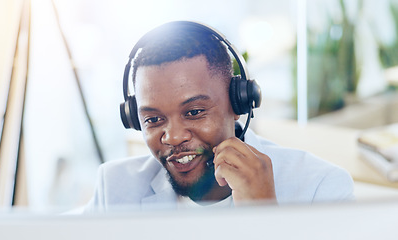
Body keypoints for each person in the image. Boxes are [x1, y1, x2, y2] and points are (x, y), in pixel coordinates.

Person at [85, 21, 354, 212]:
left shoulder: (321, 189)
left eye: (194, 112)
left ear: (239, 103)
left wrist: (265, 217)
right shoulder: (115, 187)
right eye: (153, 120)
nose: (173, 136)